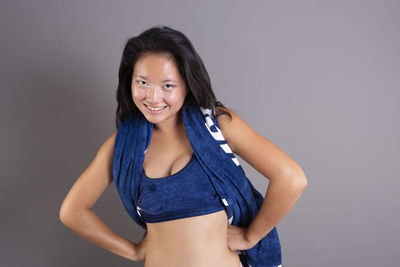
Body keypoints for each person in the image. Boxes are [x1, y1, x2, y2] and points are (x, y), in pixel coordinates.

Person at [59, 25, 307, 267]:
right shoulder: (124, 145)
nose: (153, 97)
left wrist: (250, 236)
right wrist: (133, 251)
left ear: (187, 84)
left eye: (168, 85)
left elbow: (291, 178)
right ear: (129, 81)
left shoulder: (217, 125)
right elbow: (72, 212)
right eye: (142, 83)